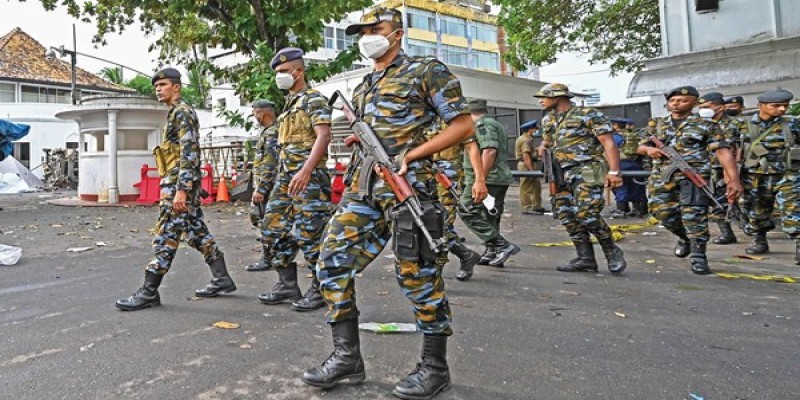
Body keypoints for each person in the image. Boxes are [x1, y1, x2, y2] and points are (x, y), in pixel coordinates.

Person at [300, 7, 476, 400]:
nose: (367, 37)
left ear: (397, 33)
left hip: (409, 189)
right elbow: (373, 131)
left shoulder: (426, 70)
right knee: (330, 262)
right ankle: (347, 358)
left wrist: (413, 155)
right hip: (364, 190)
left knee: (417, 275)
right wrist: (357, 141)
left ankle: (435, 367)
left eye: (375, 29)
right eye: (362, 31)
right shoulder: (363, 86)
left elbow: (463, 125)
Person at [116, 68, 236, 311]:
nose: (158, 89)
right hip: (178, 182)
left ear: (176, 87)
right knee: (196, 232)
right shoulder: (176, 113)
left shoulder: (182, 112)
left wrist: (182, 189)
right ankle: (221, 277)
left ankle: (149, 291)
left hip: (177, 185)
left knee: (166, 235)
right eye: (156, 86)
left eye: (162, 84)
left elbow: (189, 152)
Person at [257, 47, 333, 312]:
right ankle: (288, 285)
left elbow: (323, 136)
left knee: (310, 236)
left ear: (299, 71)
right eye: (277, 72)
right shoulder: (289, 105)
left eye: (284, 71)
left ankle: (320, 290)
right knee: (271, 228)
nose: (280, 77)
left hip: (309, 179)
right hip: (286, 177)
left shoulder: (314, 100)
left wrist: (306, 170)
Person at [637, 86, 743, 275]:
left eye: (683, 100)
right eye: (673, 101)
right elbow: (639, 146)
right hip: (662, 177)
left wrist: (733, 179)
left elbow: (722, 151)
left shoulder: (707, 124)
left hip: (694, 177)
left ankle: (698, 256)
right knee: (661, 214)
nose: (677, 104)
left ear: (695, 103)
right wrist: (649, 150)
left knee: (694, 216)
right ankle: (684, 238)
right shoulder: (657, 124)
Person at [534, 83, 627, 274]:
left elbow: (608, 142)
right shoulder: (548, 119)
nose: (541, 101)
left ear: (558, 97)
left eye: (544, 97)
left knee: (588, 214)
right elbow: (549, 141)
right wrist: (543, 146)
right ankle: (585, 258)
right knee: (567, 215)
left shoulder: (589, 114)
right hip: (559, 172)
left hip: (586, 170)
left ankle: (612, 251)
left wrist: (614, 171)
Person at [738, 89, 800, 264]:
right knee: (757, 211)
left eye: (785, 106)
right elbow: (730, 150)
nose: (781, 109)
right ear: (761, 106)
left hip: (787, 175)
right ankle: (759, 240)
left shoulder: (793, 124)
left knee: (793, 210)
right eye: (776, 106)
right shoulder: (742, 125)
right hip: (754, 176)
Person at [458, 98, 519, 269]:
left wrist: (480, 180)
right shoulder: (494, 123)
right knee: (490, 215)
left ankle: (501, 245)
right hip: (494, 178)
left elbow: (489, 151)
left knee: (466, 209)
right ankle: (493, 250)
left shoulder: (482, 125)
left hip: (487, 178)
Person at [425, 119, 488, 282]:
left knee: (440, 227)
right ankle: (466, 255)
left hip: (447, 181)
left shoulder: (454, 118)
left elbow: (472, 147)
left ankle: (434, 276)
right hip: (423, 179)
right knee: (429, 225)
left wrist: (479, 180)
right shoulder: (420, 117)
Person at [697, 92, 746, 245]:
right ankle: (727, 233)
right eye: (701, 107)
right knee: (716, 201)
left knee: (743, 200)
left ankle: (750, 227)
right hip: (708, 169)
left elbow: (741, 147)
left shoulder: (736, 124)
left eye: (707, 107)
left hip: (733, 169)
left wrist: (733, 173)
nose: (703, 110)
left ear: (720, 107)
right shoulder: (699, 124)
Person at [245, 100, 280, 271]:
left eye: (255, 114)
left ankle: (268, 258)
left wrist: (262, 189)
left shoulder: (272, 133)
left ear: (261, 113)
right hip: (266, 185)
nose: (255, 117)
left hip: (269, 187)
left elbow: (270, 163)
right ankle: (274, 252)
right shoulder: (268, 132)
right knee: (261, 220)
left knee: (264, 221)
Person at [609, 118, 648, 219]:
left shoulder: (615, 137)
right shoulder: (635, 135)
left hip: (621, 164)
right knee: (636, 186)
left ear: (616, 125)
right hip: (636, 164)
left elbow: (610, 149)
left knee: (621, 186)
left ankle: (621, 210)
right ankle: (637, 210)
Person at [516, 120, 546, 215]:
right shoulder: (526, 140)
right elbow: (526, 156)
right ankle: (527, 207)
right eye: (535, 128)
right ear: (530, 129)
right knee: (526, 187)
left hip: (529, 164)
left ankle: (537, 206)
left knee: (536, 187)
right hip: (526, 165)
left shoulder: (527, 139)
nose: (536, 130)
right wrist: (531, 171)